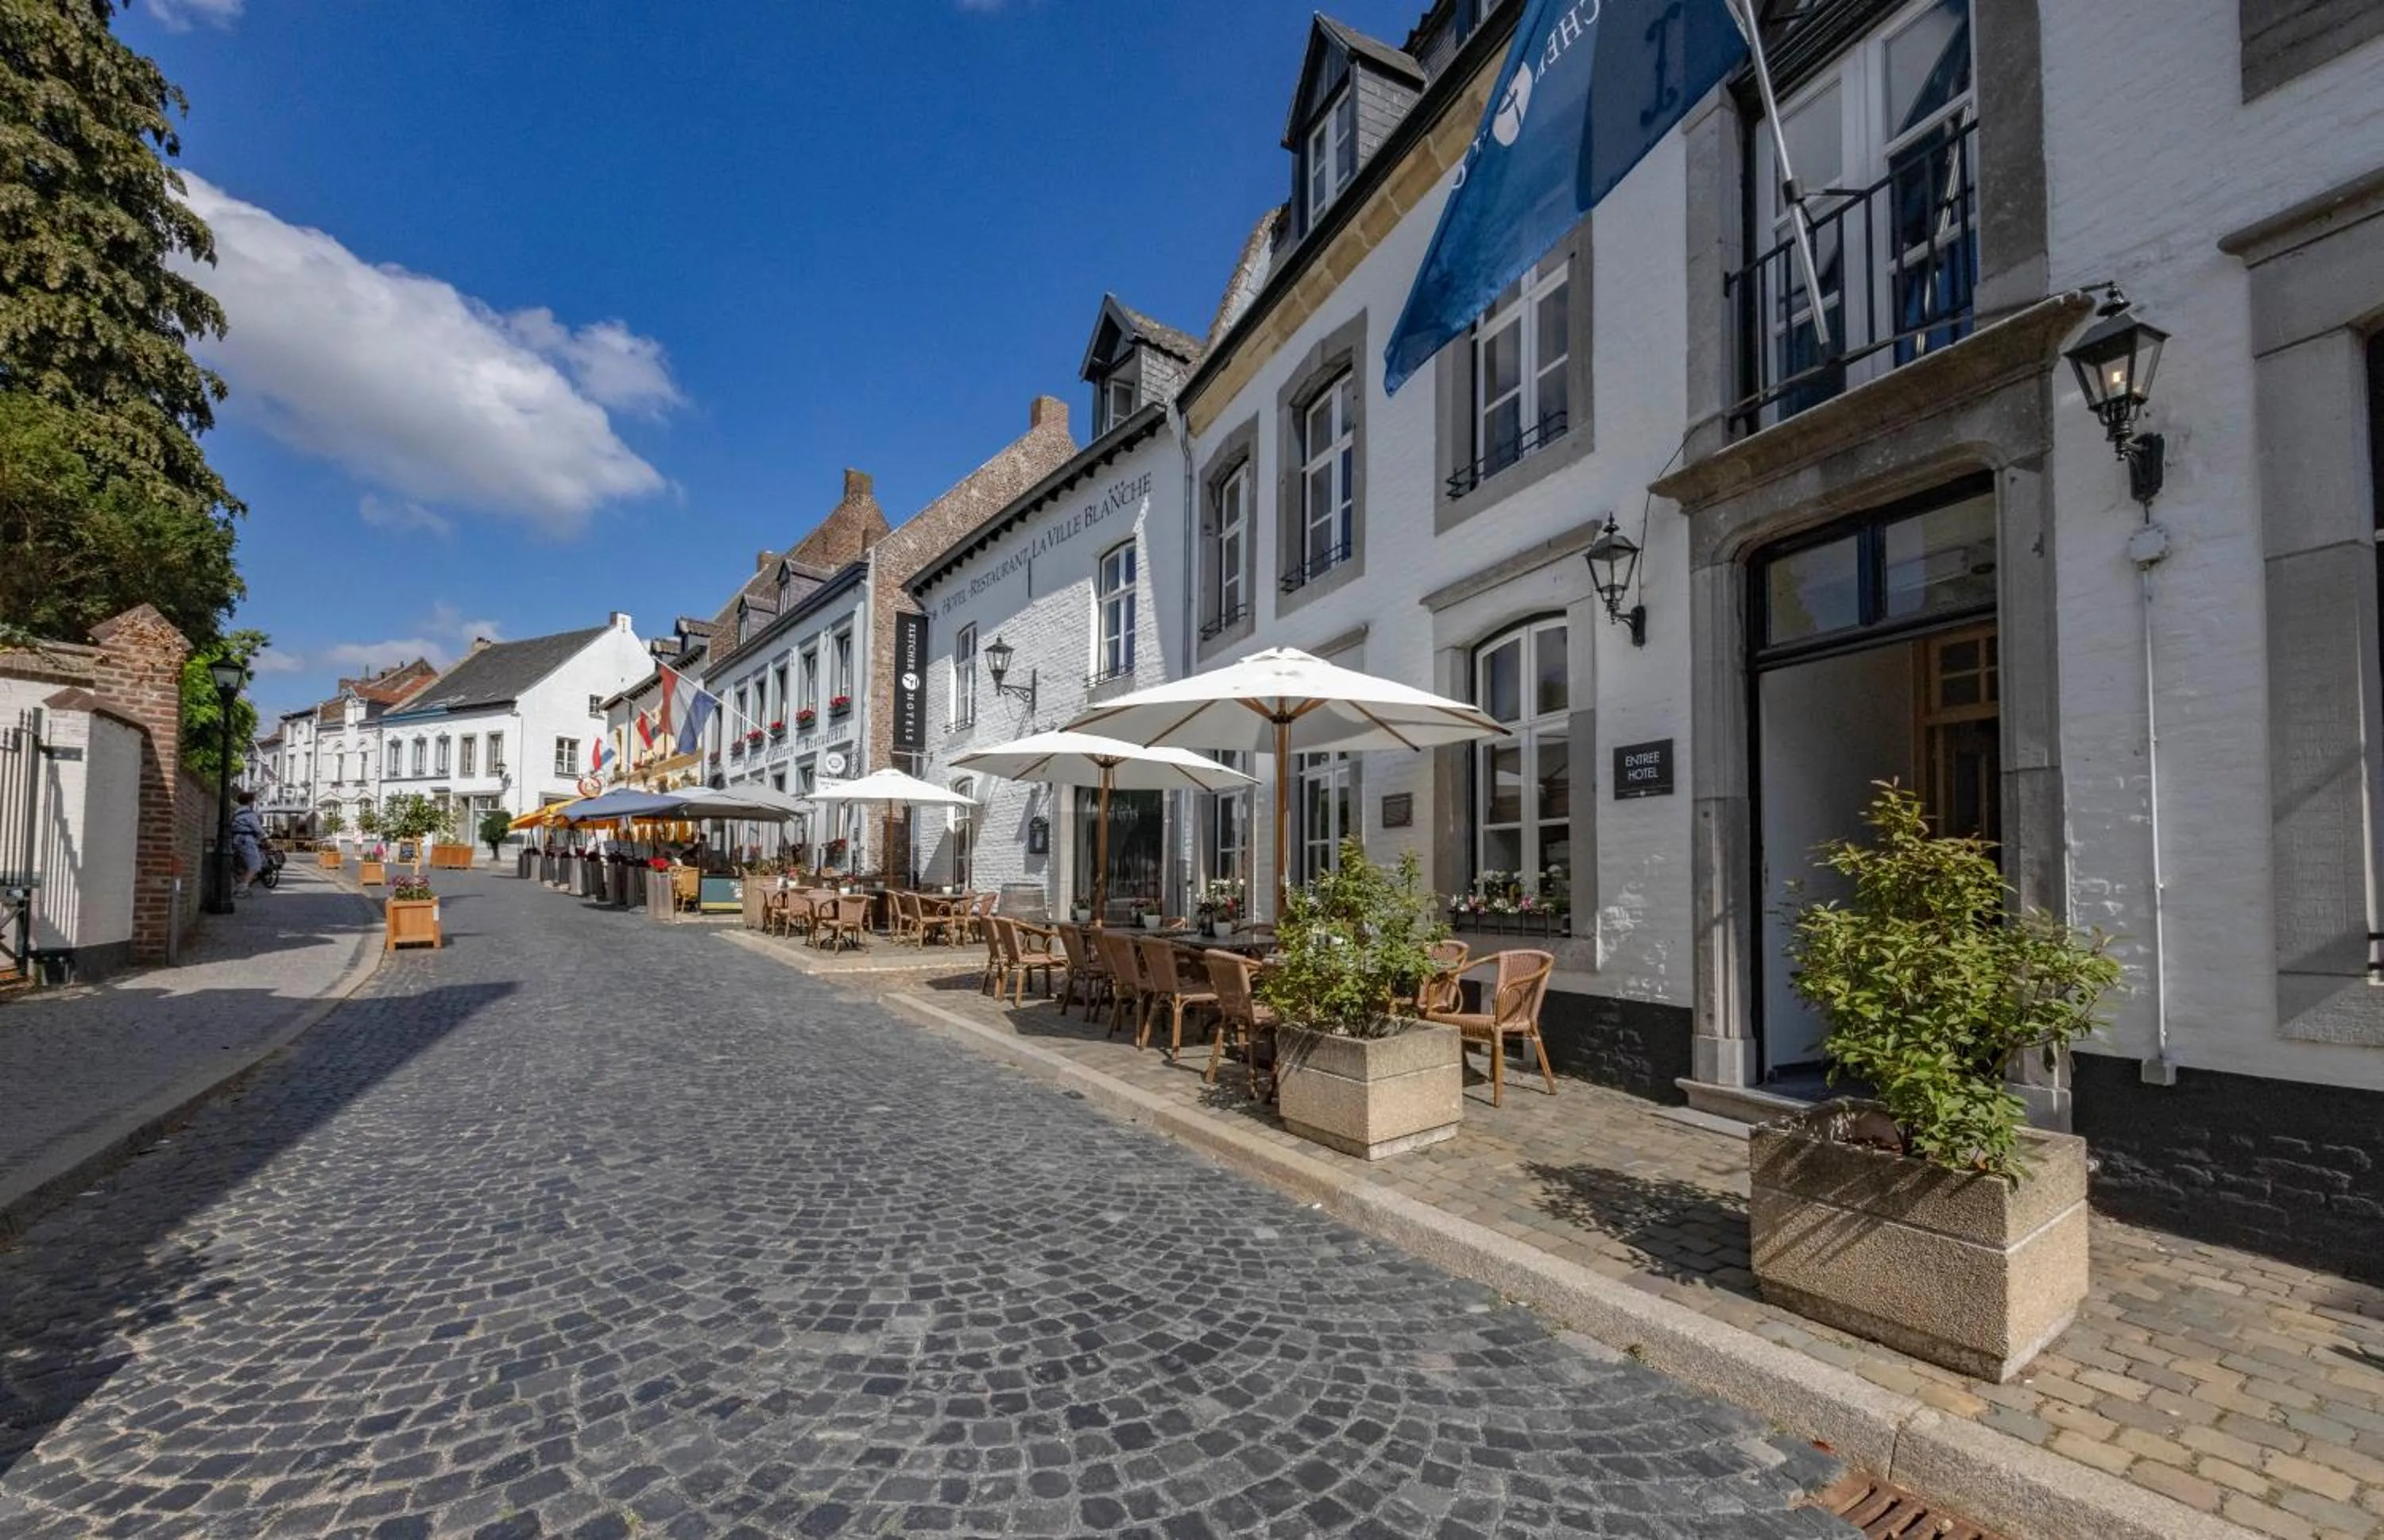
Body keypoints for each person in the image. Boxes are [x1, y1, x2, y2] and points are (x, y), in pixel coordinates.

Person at [230, 791, 267, 896]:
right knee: (255, 865)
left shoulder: (236, 813)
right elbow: (258, 829)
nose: (253, 803)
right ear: (250, 801)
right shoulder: (249, 814)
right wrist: (265, 840)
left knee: (242, 867)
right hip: (247, 841)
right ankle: (242, 889)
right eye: (253, 801)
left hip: (236, 840)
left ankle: (239, 886)